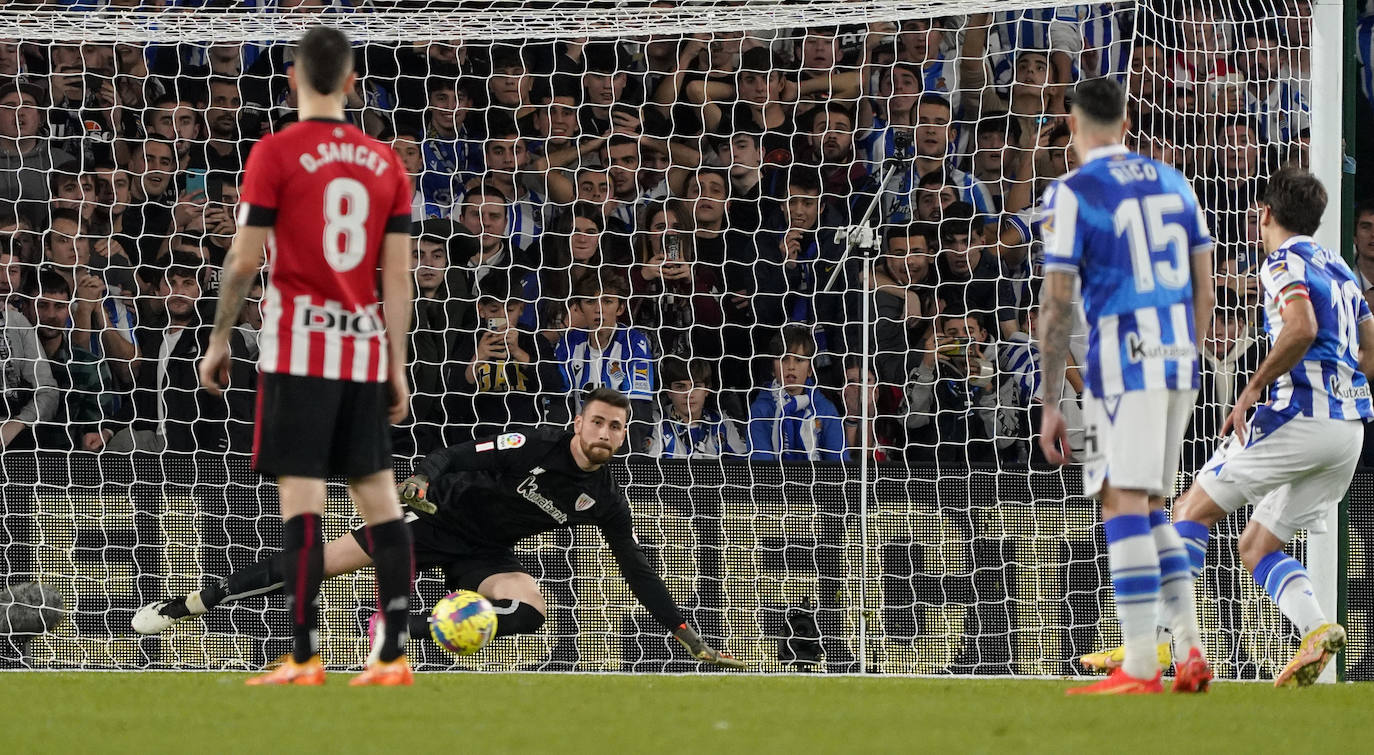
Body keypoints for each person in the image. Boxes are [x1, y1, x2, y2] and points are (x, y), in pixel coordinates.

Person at [131, 388, 745, 670]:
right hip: (431, 518)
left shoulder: (604, 499)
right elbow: (455, 455)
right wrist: (421, 479)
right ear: (579, 424)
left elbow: (635, 567)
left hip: (483, 551)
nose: (607, 434)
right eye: (599, 423)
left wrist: (684, 633)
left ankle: (407, 629)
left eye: (617, 427)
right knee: (313, 565)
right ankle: (193, 600)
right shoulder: (534, 442)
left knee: (531, 607)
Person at [190, 27, 417, 686]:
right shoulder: (387, 163)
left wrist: (219, 337)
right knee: (380, 500)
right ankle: (393, 655)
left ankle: (304, 653)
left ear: (292, 79)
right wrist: (397, 365)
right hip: (364, 350)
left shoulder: (276, 151)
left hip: (298, 347)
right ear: (352, 83)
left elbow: (243, 259)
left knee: (303, 502)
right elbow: (395, 278)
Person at [1091, 168, 1367, 688]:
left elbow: (1301, 326)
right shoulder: (1345, 273)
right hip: (1348, 430)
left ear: (1264, 214)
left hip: (1299, 418)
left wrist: (1253, 386)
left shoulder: (1281, 262)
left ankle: (1158, 640)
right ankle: (1317, 630)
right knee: (1257, 546)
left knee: (1188, 510)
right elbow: (1369, 352)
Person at [1036, 77, 1215, 695]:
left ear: (1074, 126)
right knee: (1151, 505)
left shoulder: (1073, 191)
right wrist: (1185, 353)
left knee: (1118, 499)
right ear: (1127, 122)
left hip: (1124, 362)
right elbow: (1204, 286)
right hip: (1178, 360)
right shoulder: (1174, 181)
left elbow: (1058, 305)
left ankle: (1141, 663)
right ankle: (1189, 648)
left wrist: (1051, 397)